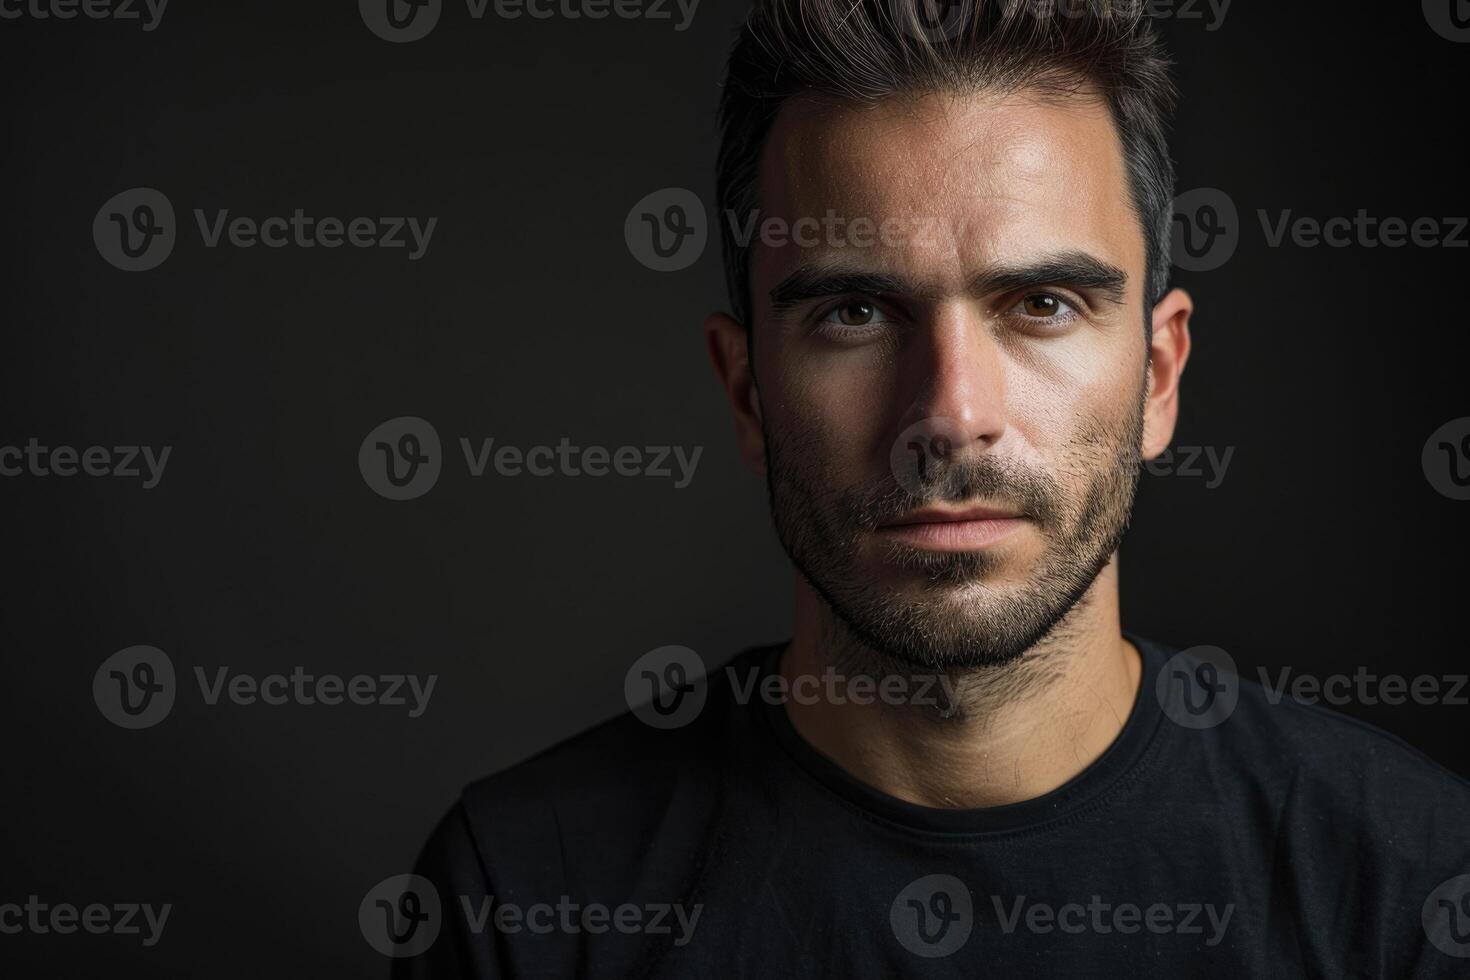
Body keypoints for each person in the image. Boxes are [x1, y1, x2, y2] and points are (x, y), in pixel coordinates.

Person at [393, 2, 1470, 975]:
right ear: (748, 390)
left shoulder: (1408, 887)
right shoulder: (527, 901)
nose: (951, 416)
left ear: (1157, 374)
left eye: (1043, 303)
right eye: (854, 314)